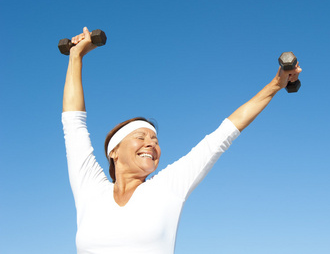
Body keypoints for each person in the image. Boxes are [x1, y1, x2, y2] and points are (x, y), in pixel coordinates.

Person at [62, 27, 302, 254]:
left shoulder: (166, 186)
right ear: (114, 151)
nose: (151, 144)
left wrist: (275, 86)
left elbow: (224, 133)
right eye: (140, 136)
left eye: (155, 140)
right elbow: (73, 124)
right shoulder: (90, 190)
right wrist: (76, 57)